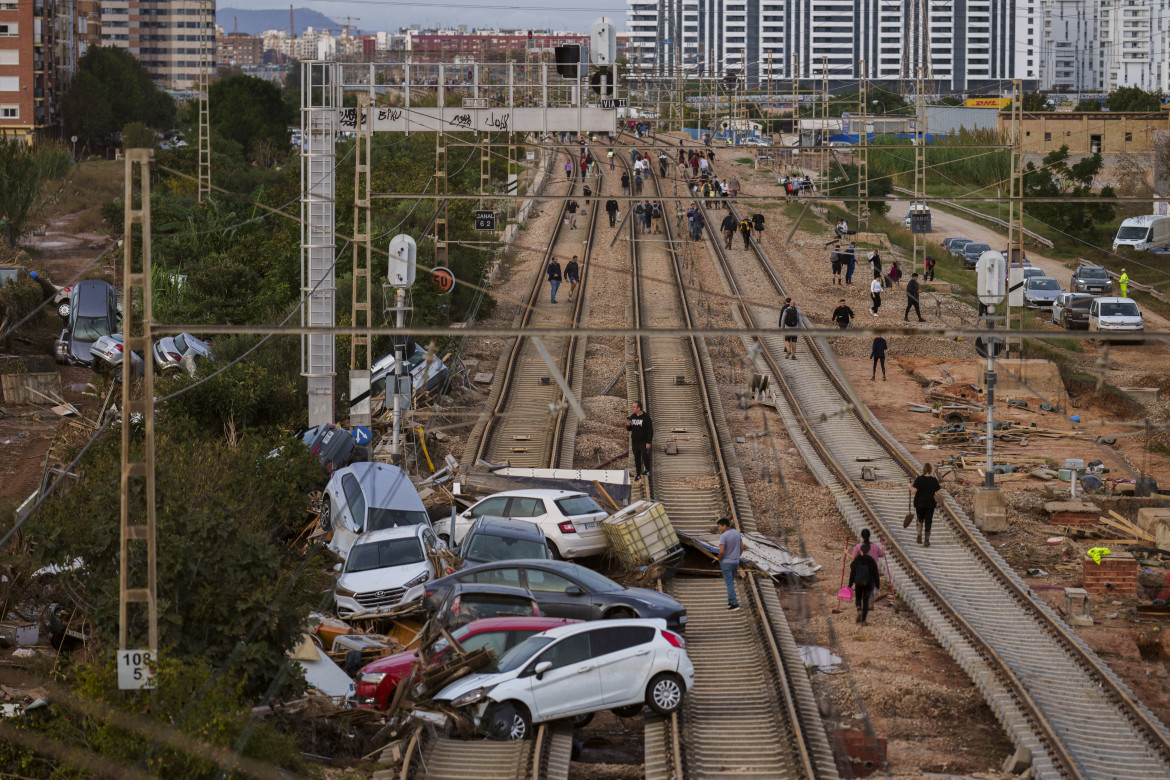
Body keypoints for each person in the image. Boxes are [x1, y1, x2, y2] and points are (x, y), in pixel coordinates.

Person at [907, 463, 942, 546]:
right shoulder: (934, 480)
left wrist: (909, 486)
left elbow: (913, 491)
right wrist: (942, 502)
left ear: (924, 470)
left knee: (919, 519)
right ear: (930, 470)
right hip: (930, 505)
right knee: (928, 522)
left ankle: (919, 533)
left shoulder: (919, 479)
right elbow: (939, 493)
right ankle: (926, 540)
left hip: (919, 503)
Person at [848, 542, 880, 624]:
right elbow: (875, 573)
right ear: (868, 551)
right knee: (865, 601)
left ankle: (859, 609)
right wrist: (877, 584)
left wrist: (850, 584)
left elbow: (852, 572)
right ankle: (863, 620)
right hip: (868, 583)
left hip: (858, 582)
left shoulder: (857, 560)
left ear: (861, 551)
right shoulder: (871, 560)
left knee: (858, 598)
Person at [716, 518, 742, 611]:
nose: (719, 528)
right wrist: (737, 556)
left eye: (719, 526)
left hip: (726, 563)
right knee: (731, 582)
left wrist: (719, 559)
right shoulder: (736, 533)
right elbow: (741, 547)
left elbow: (721, 551)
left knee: (729, 583)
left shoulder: (724, 535)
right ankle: (730, 602)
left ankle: (734, 604)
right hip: (735, 562)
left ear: (724, 525)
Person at [626, 401, 653, 480]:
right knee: (636, 457)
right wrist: (628, 425)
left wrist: (649, 442)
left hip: (643, 441)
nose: (632, 408)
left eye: (634, 407)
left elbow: (650, 431)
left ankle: (647, 469)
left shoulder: (646, 417)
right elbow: (629, 429)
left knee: (644, 455)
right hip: (635, 441)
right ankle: (638, 474)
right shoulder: (632, 417)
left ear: (639, 408)